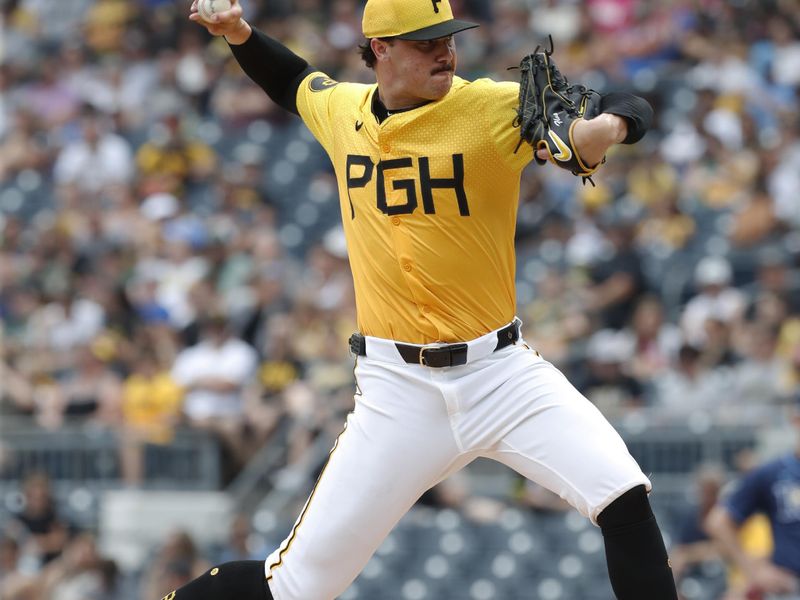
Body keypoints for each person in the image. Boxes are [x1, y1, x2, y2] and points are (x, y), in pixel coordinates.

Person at [167, 0, 677, 598]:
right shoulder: (344, 111)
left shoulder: (491, 107)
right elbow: (292, 81)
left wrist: (604, 129)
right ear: (380, 49)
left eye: (449, 37)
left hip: (502, 375)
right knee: (297, 586)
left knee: (622, 494)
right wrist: (239, 33)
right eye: (426, 41)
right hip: (396, 391)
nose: (446, 51)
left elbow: (631, 101)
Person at [705, 399, 800, 599]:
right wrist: (754, 570)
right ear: (796, 420)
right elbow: (718, 521)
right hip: (789, 586)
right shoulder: (774, 472)